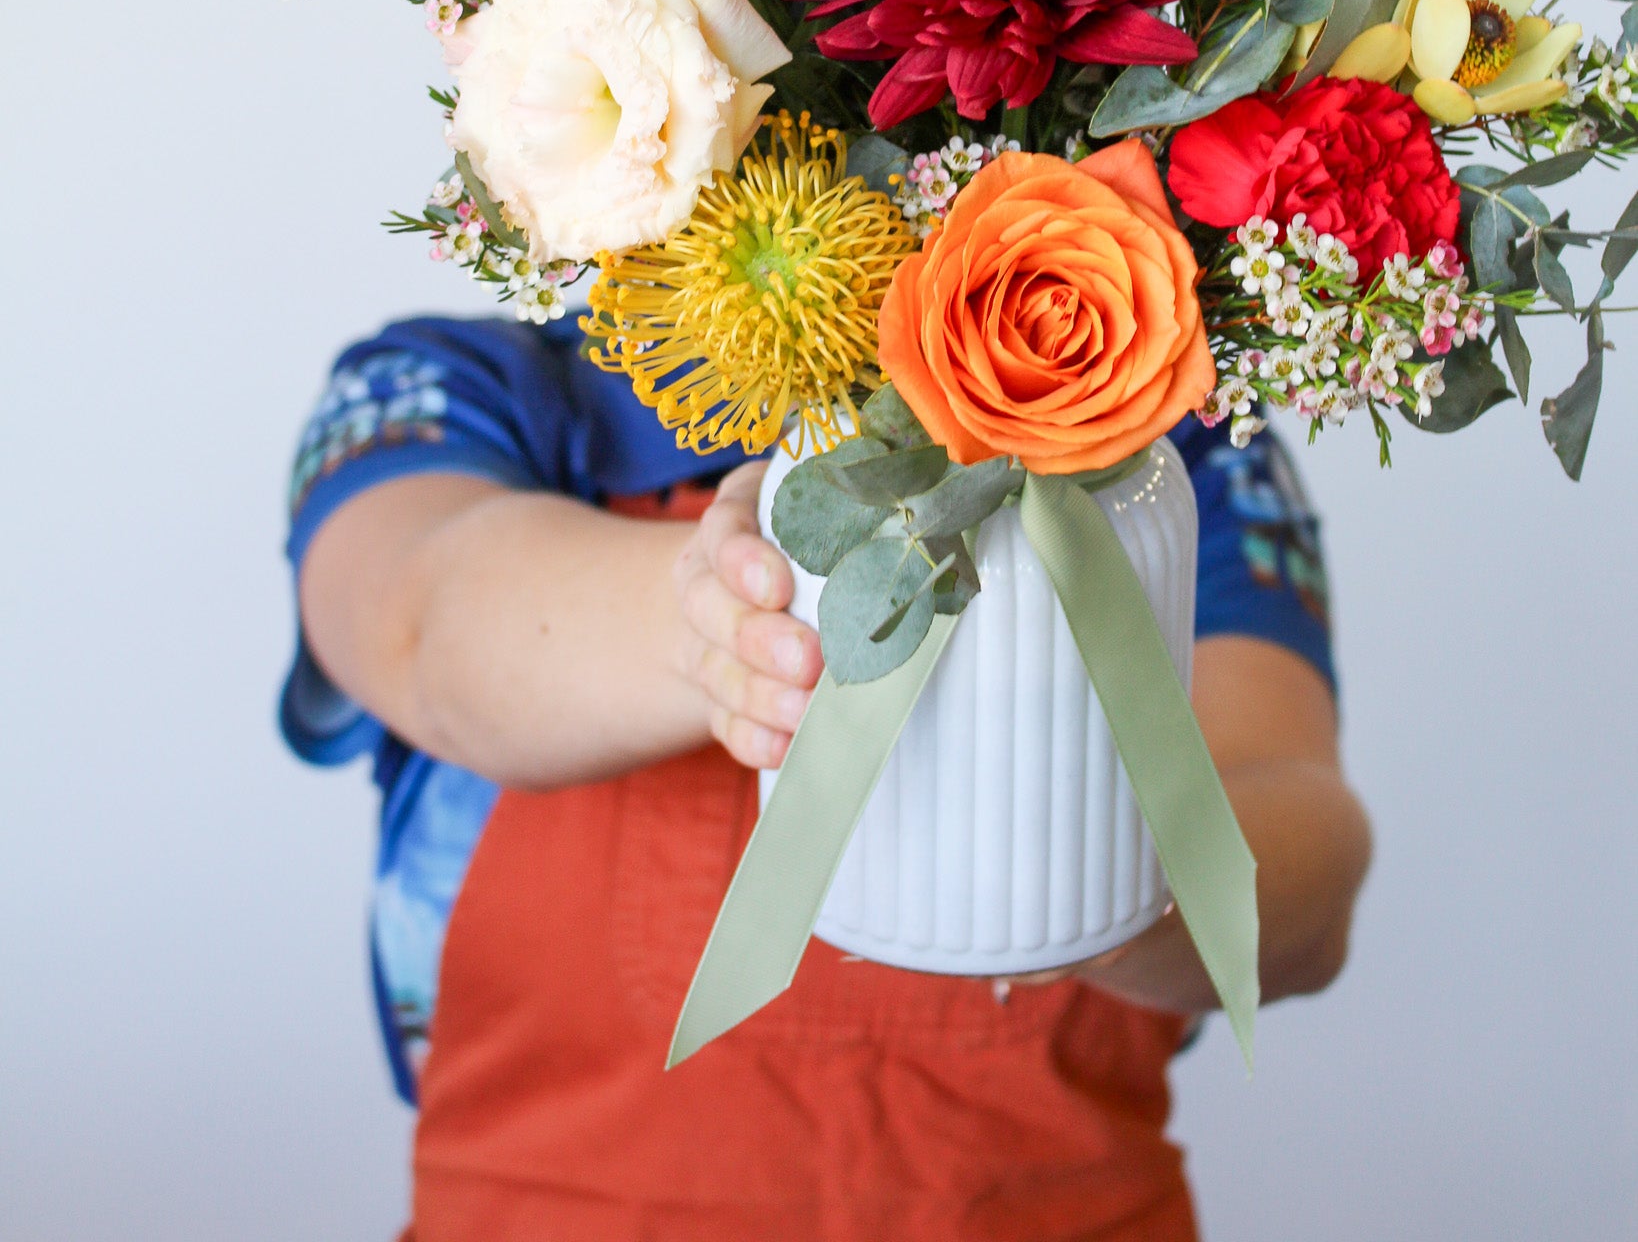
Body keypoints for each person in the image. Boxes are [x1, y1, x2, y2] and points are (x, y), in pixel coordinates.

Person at [286, 307, 1371, 1241]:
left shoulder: (1167, 434)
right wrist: (737, 607)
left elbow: (1306, 894)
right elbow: (416, 626)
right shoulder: (464, 389)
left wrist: (1100, 883)